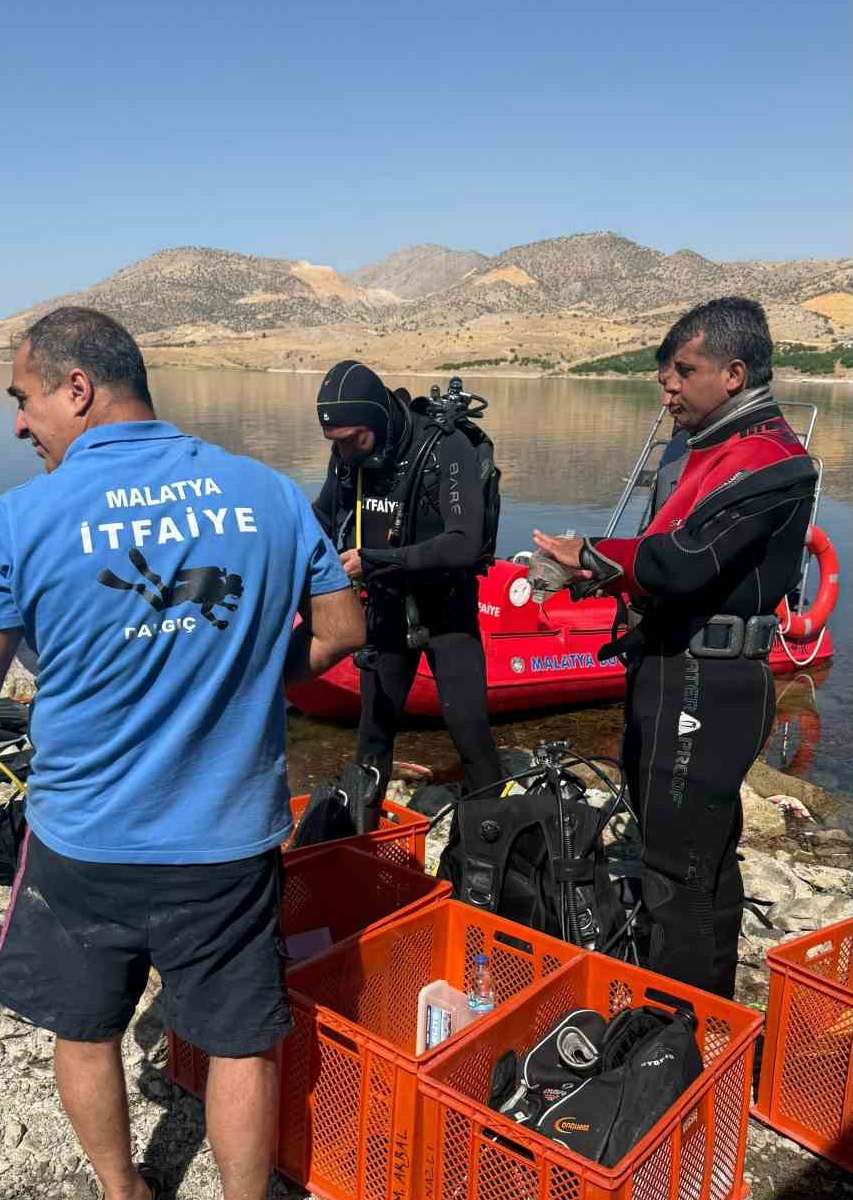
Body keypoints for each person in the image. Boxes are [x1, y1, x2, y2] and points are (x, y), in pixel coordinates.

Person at [0, 307, 366, 1200]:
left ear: (77, 389)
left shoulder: (21, 519)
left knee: (86, 1029)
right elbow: (342, 629)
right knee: (234, 1038)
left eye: (22, 399)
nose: (19, 425)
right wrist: (245, 673)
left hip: (78, 842)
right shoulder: (265, 493)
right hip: (220, 846)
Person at [533, 297, 816, 999]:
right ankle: (708, 1016)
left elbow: (684, 559)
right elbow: (665, 558)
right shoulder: (701, 447)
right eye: (665, 373)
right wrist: (600, 575)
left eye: (683, 371)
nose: (668, 387)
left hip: (709, 683)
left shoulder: (773, 460)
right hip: (675, 669)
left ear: (734, 373)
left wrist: (592, 557)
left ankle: (673, 1031)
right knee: (698, 859)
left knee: (677, 870)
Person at [312, 359, 502, 798]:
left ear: (376, 419)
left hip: (446, 610)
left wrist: (373, 561)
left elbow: (463, 543)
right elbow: (322, 516)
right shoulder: (350, 458)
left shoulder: (445, 447)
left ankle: (493, 849)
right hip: (386, 608)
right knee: (372, 736)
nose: (343, 453)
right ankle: (362, 845)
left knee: (469, 733)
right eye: (335, 444)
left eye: (351, 441)